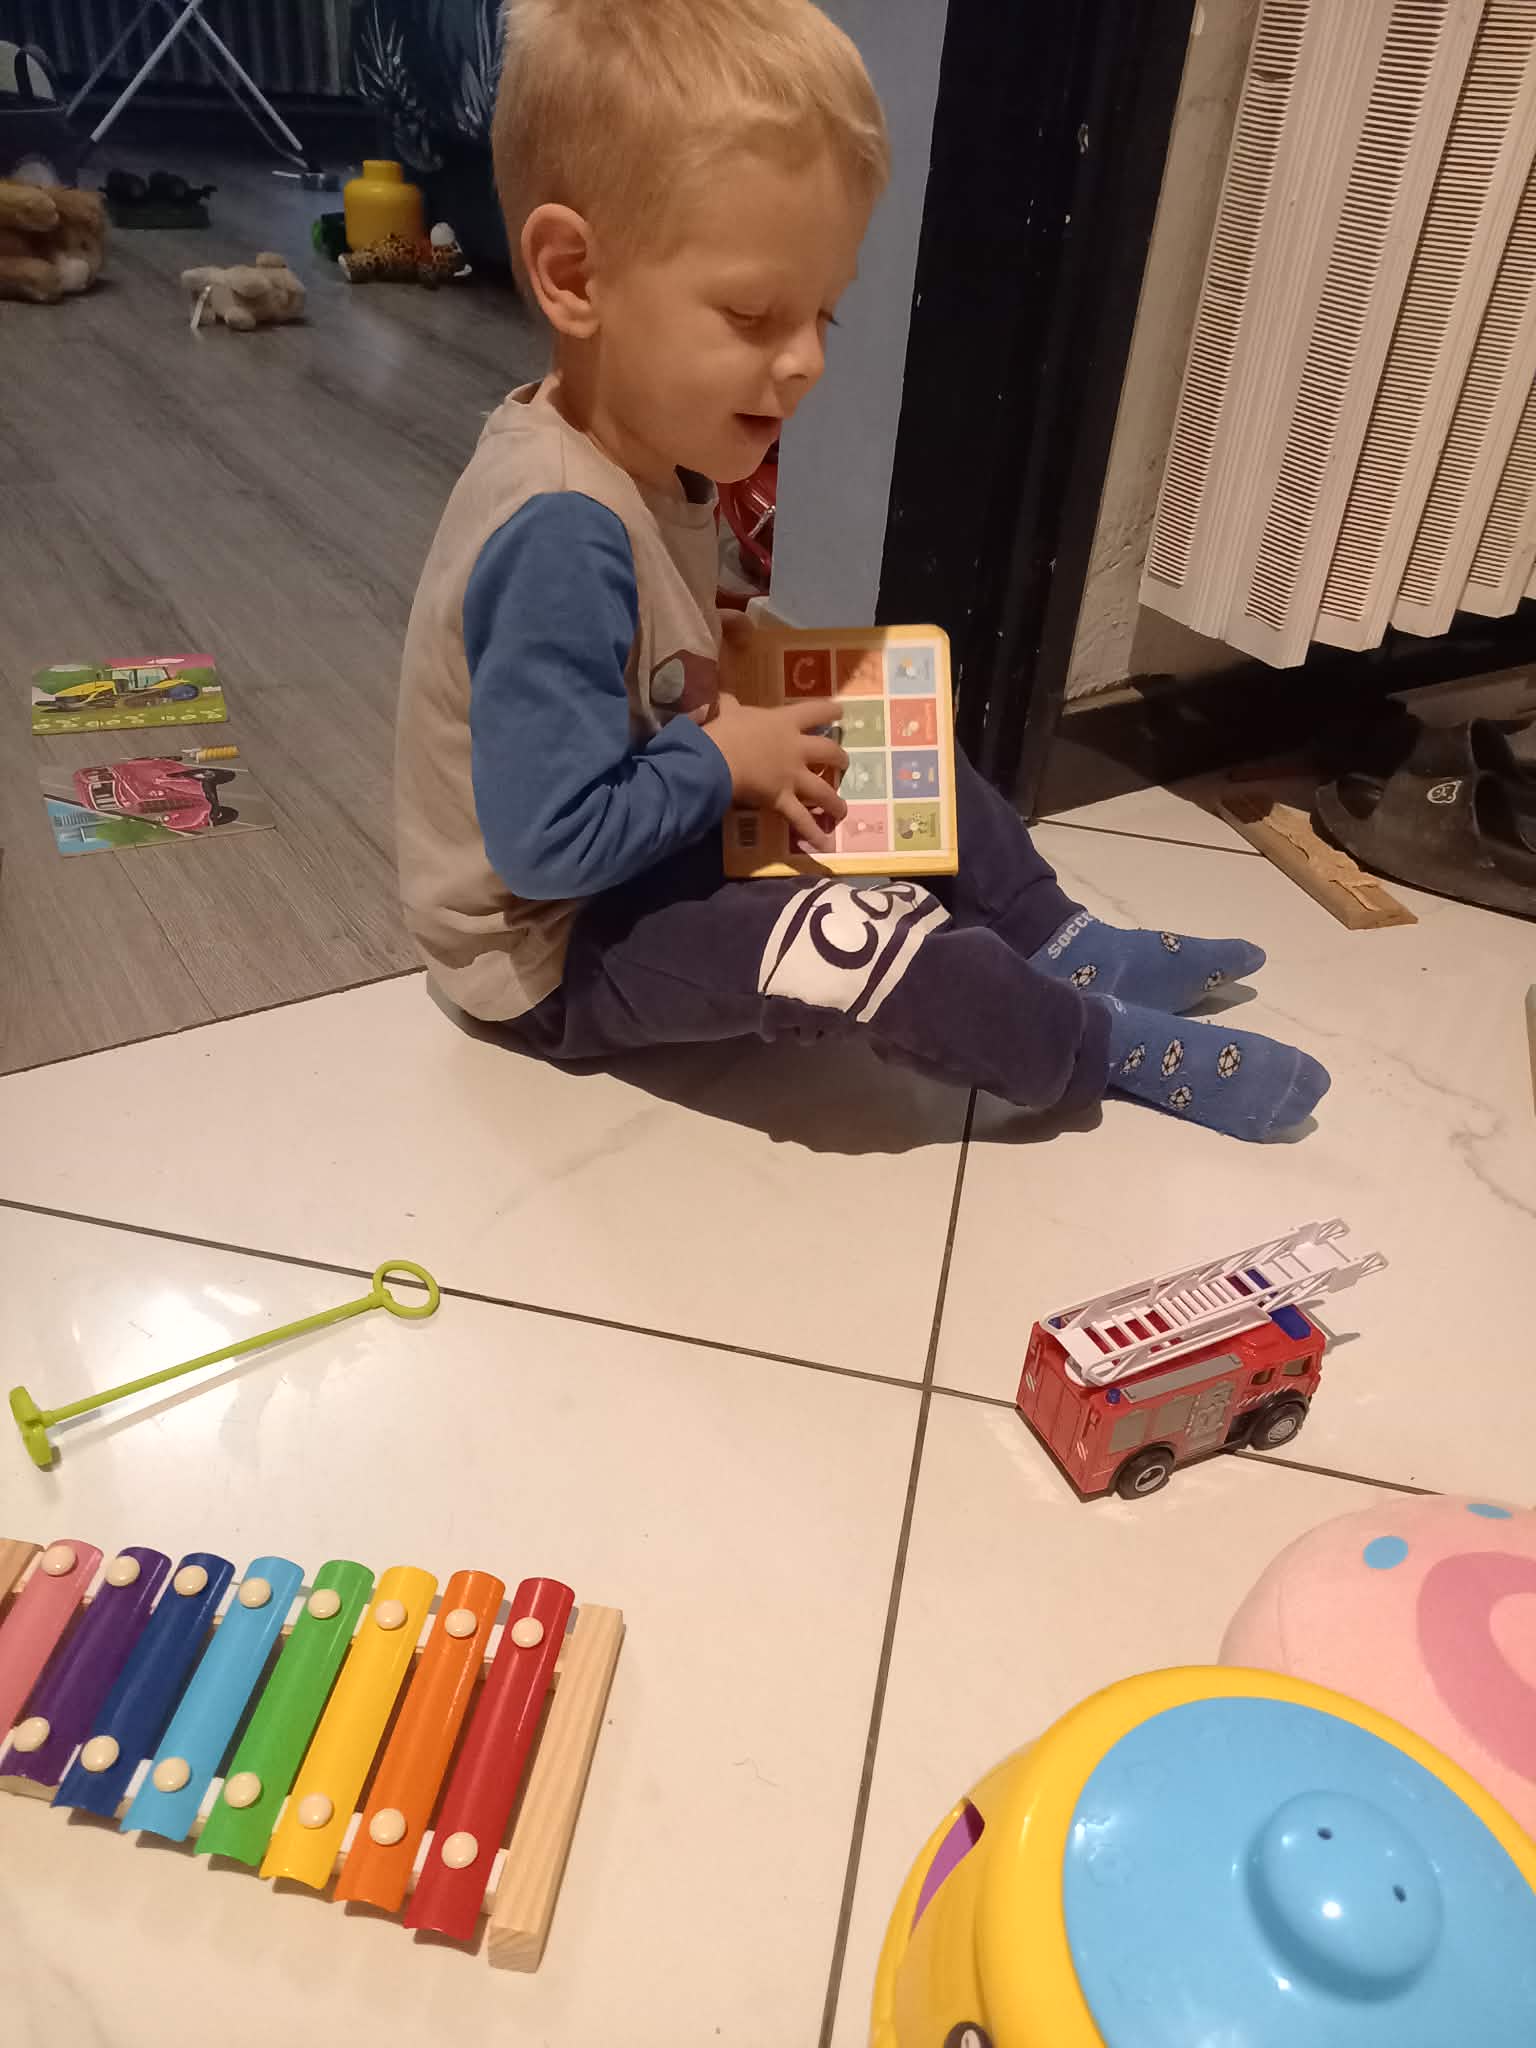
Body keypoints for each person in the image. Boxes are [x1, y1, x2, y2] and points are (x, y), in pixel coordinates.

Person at [395, 0, 1329, 1141]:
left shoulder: (642, 453)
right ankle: (1093, 1043)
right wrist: (719, 757)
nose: (805, 361)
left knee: (881, 714)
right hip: (555, 951)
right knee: (866, 942)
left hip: (636, 844)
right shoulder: (558, 528)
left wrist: (711, 658)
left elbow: (609, 665)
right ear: (575, 275)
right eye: (753, 313)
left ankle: (1061, 939)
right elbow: (547, 847)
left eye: (823, 316)